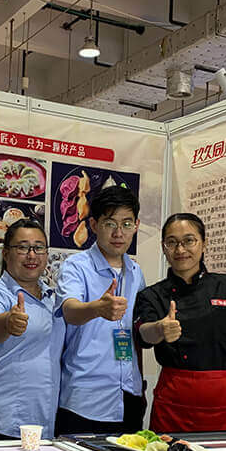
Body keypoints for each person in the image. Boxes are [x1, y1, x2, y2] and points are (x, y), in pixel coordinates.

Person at [135, 213, 226, 432]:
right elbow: (144, 333)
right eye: (172, 242)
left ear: (204, 243)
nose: (180, 249)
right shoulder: (152, 295)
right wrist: (160, 328)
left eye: (189, 240)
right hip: (174, 406)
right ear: (163, 248)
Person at [55, 186, 146, 436]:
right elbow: (70, 310)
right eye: (110, 223)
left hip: (129, 395)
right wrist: (97, 308)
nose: (119, 233)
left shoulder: (136, 272)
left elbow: (135, 332)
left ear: (136, 225)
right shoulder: (76, 266)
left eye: (126, 224)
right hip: (85, 399)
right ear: (94, 225)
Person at [0, 219, 64, 441]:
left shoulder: (55, 299)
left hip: (44, 423)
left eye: (38, 247)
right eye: (22, 247)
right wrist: (7, 322)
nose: (32, 255)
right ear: (6, 254)